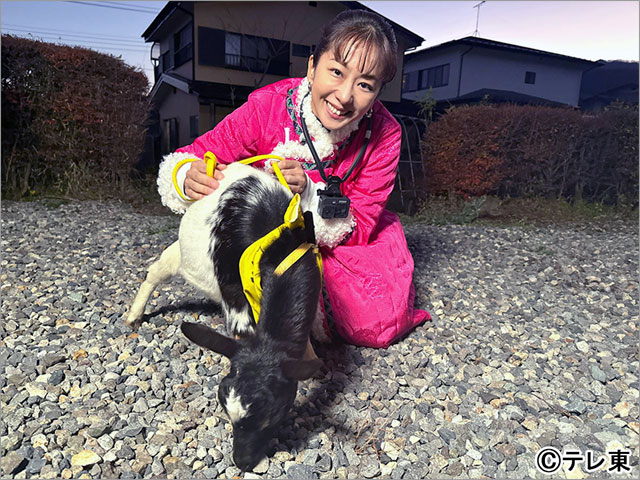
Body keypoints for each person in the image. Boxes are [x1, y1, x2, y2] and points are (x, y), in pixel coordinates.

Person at [156, 9, 430, 348]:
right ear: (312, 67)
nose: (345, 97)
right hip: (265, 233)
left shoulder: (386, 133)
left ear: (377, 93)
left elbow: (363, 221)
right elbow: (198, 153)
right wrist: (186, 175)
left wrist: (309, 195)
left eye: (364, 85)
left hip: (342, 241)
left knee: (371, 321)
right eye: (336, 72)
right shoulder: (267, 107)